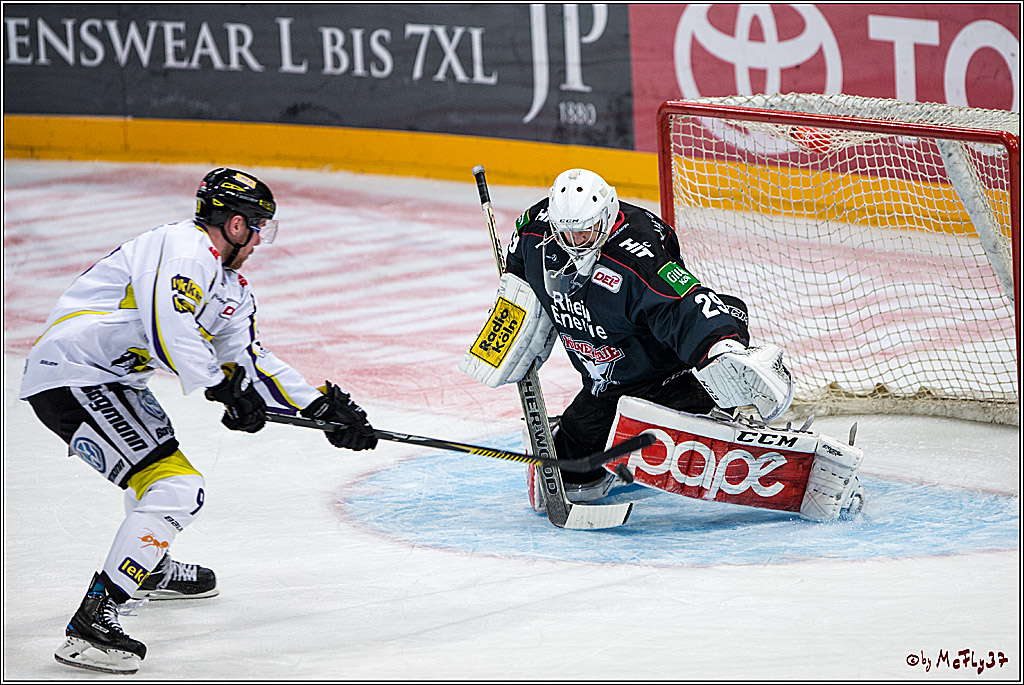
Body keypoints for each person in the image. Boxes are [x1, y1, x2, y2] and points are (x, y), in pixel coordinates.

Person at [19, 167, 377, 675]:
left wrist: (319, 407)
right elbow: (169, 326)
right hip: (73, 376)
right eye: (257, 228)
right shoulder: (183, 250)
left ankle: (146, 569)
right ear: (234, 225)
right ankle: (92, 623)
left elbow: (248, 354)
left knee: (160, 478)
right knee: (176, 489)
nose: (258, 241)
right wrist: (221, 384)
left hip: (114, 382)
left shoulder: (228, 283)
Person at [461, 168, 794, 509]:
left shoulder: (636, 253)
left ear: (604, 217)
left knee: (689, 394)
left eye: (586, 232)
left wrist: (721, 346)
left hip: (668, 372)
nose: (577, 242)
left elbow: (681, 304)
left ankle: (711, 406)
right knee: (569, 471)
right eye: (568, 233)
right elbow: (517, 268)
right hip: (609, 383)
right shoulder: (536, 232)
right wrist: (510, 322)